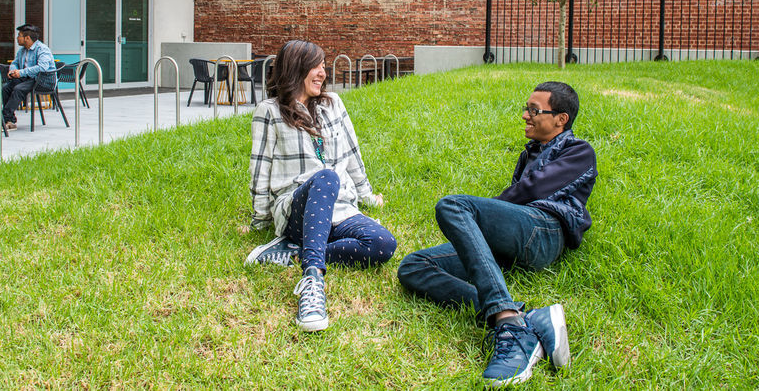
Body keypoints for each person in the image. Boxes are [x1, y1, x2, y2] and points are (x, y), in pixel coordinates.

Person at [397, 81, 597, 386]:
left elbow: (531, 191)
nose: (525, 116)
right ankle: (526, 318)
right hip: (518, 236)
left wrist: (479, 216)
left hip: (544, 232)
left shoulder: (579, 151)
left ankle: (509, 326)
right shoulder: (529, 154)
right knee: (413, 267)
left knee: (453, 207)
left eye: (534, 110)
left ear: (561, 119)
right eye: (526, 109)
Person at [246, 40, 397, 332]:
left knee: (382, 244)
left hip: (339, 209)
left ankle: (292, 251)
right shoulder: (269, 111)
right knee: (326, 177)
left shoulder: (333, 104)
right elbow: (259, 169)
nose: (322, 73)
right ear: (295, 69)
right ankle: (313, 279)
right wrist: (260, 221)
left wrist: (366, 196)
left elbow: (353, 154)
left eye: (323, 66)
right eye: (316, 66)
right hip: (296, 208)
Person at [0, 24, 56, 132]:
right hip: (28, 79)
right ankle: (9, 120)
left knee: (18, 89)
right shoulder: (22, 50)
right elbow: (15, 63)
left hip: (42, 80)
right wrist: (13, 71)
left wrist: (21, 72)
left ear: (27, 38)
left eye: (19, 36)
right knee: (5, 89)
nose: (17, 38)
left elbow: (43, 67)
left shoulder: (42, 49)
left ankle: (3, 118)